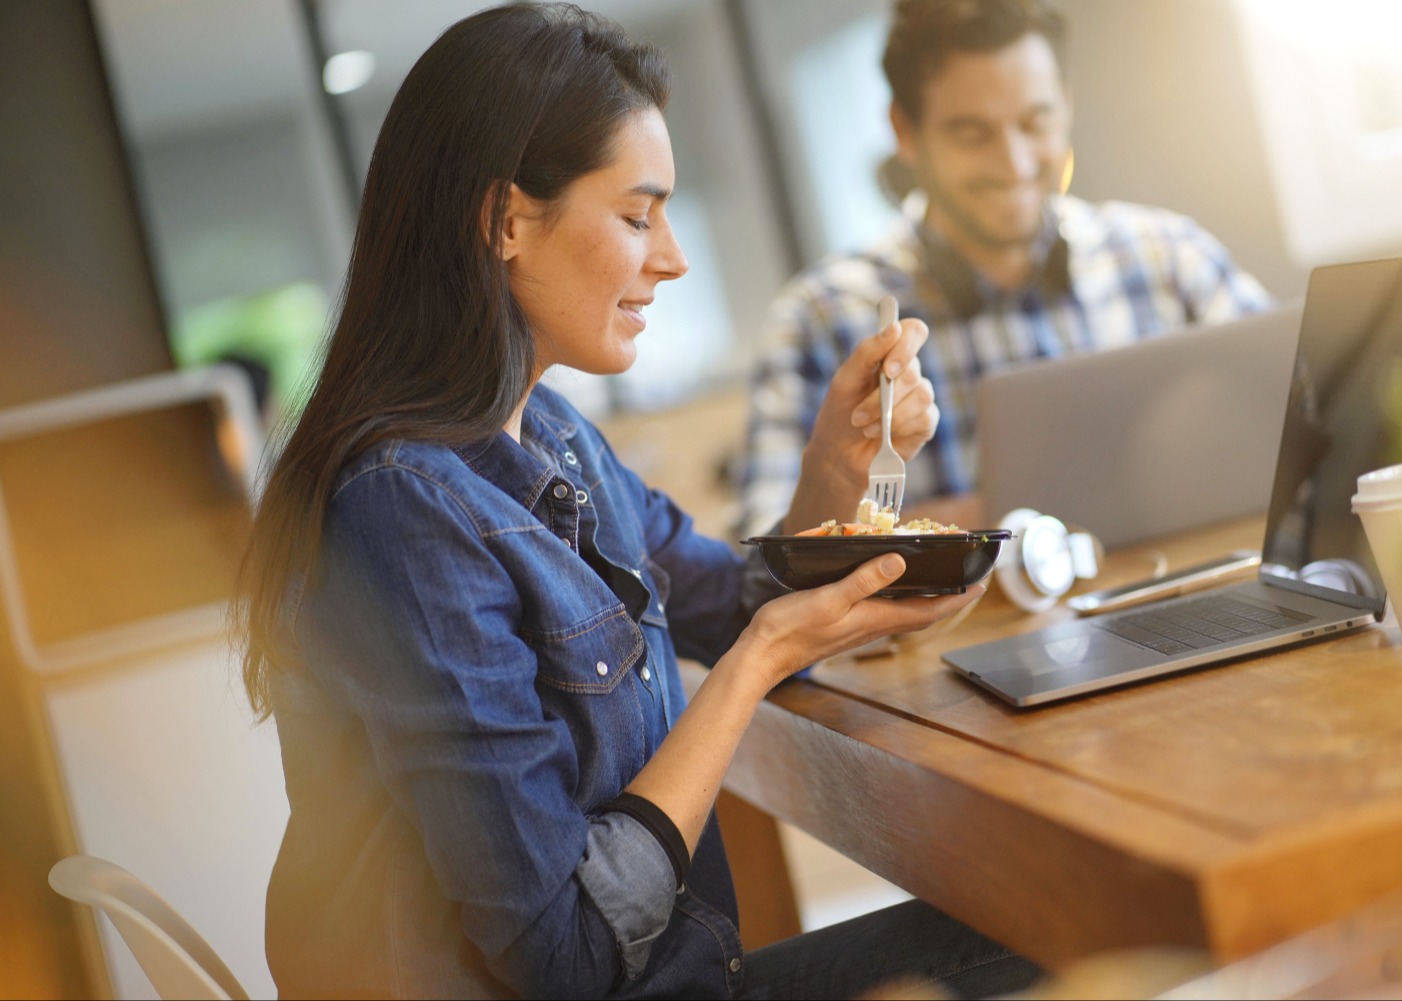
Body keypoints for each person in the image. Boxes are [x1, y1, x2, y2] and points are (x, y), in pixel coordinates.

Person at [236, 4, 1041, 998]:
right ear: (505, 221)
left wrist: (838, 467)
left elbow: (728, 597)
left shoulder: (553, 435)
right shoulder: (403, 509)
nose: (672, 256)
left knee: (1049, 911)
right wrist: (754, 667)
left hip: (686, 973)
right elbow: (563, 957)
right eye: (635, 214)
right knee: (1064, 924)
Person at [737, 0, 1273, 539]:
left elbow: (1305, 431)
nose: (1014, 164)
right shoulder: (820, 320)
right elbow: (765, 569)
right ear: (904, 129)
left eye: (1036, 122)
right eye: (973, 134)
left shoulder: (1169, 258)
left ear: (1066, 105)